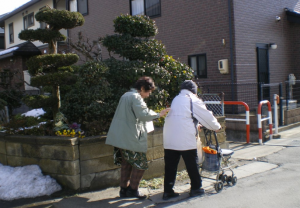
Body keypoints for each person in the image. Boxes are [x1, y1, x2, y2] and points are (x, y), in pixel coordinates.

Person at [106, 76, 170, 199]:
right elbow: (143, 114)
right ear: (142, 88)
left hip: (120, 136)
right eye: (148, 91)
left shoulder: (125, 95)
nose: (148, 94)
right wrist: (159, 114)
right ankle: (133, 190)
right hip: (131, 136)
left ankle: (123, 190)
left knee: (126, 163)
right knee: (140, 164)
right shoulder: (136, 97)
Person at [162, 80, 221, 200]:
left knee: (170, 166)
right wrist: (216, 127)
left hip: (169, 137)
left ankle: (168, 191)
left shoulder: (176, 99)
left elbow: (183, 116)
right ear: (194, 90)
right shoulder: (193, 99)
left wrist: (196, 125)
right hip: (184, 138)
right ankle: (196, 188)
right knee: (191, 164)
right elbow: (206, 115)